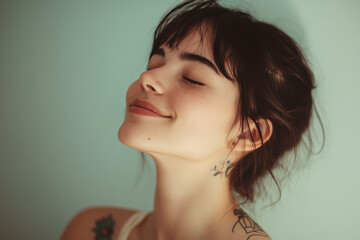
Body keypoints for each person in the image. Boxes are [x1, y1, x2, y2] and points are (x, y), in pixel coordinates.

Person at [61, 0, 320, 239]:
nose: (146, 78)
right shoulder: (90, 230)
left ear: (248, 134)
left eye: (192, 78)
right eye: (153, 65)